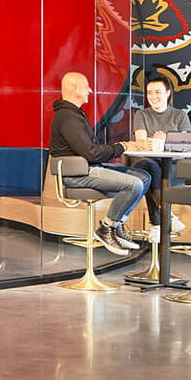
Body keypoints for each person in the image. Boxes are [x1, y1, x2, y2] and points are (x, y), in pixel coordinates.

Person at [48, 72, 149, 256]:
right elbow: (91, 153)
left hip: (90, 169)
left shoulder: (75, 115)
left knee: (144, 177)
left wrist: (119, 148)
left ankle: (116, 225)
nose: (90, 90)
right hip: (78, 175)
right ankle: (106, 227)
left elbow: (92, 152)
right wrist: (122, 147)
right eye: (86, 86)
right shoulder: (68, 118)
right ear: (74, 89)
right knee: (134, 184)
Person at [130, 73, 191, 240]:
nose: (153, 97)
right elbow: (141, 142)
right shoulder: (142, 115)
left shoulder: (180, 115)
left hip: (174, 168)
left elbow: (188, 144)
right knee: (146, 166)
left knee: (147, 174)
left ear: (168, 93)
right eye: (149, 93)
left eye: (157, 92)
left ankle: (156, 223)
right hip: (150, 163)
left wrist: (166, 140)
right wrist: (172, 140)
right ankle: (168, 216)